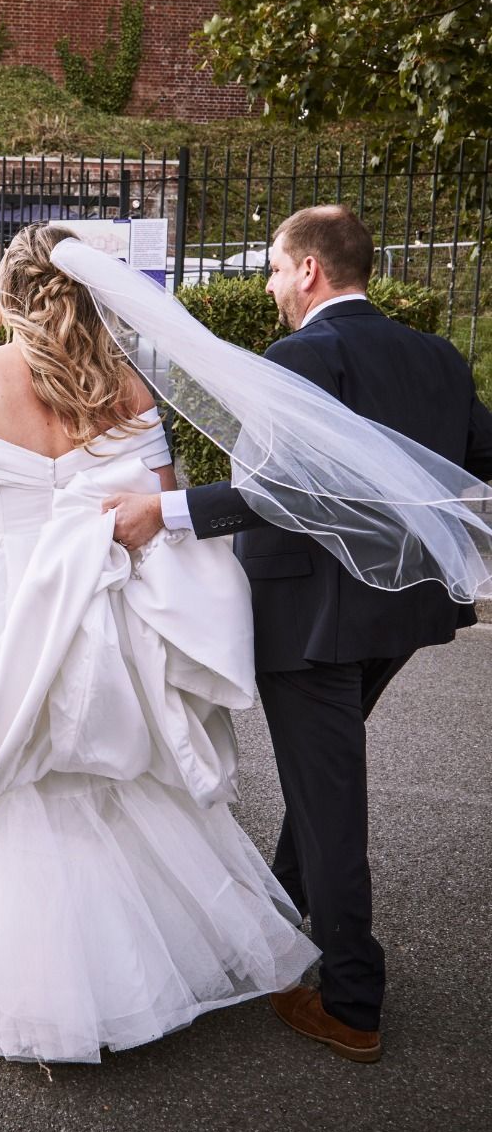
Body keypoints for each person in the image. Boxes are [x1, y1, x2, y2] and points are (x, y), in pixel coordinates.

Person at [0, 224, 318, 1065]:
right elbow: (160, 503)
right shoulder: (128, 385)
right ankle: (144, 959)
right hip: (101, 602)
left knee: (13, 760)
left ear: (7, 292)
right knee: (103, 765)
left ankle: (42, 986)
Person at [105, 205, 492, 1063]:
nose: (272, 286)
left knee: (330, 800)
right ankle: (278, 920)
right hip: (401, 612)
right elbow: (477, 462)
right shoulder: (435, 354)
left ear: (311, 269)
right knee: (323, 780)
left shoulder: (301, 357)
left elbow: (279, 494)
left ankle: (353, 998)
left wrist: (160, 511)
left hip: (313, 619)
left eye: (277, 269)